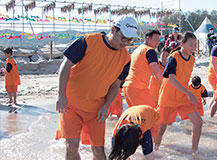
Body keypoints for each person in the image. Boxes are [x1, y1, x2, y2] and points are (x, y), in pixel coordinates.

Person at [55, 15, 136, 159]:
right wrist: (61, 95)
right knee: (71, 146)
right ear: (113, 29)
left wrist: (106, 106)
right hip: (71, 104)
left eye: (130, 40)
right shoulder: (88, 41)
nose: (126, 43)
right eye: (124, 38)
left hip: (96, 109)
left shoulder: (126, 59)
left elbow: (115, 86)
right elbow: (65, 65)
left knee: (99, 151)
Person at [154, 32, 202, 154]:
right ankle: (153, 152)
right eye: (191, 45)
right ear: (182, 44)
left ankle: (194, 152)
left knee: (198, 122)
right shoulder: (173, 57)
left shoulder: (192, 59)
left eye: (195, 46)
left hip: (182, 98)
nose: (193, 48)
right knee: (161, 129)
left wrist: (189, 94)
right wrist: (190, 93)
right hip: (167, 98)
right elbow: (172, 79)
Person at [123, 30, 164, 108]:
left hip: (128, 87)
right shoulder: (150, 50)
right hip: (138, 88)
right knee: (152, 115)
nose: (157, 43)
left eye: (158, 41)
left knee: (136, 118)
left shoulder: (138, 49)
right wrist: (166, 85)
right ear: (147, 39)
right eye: (155, 40)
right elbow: (156, 72)